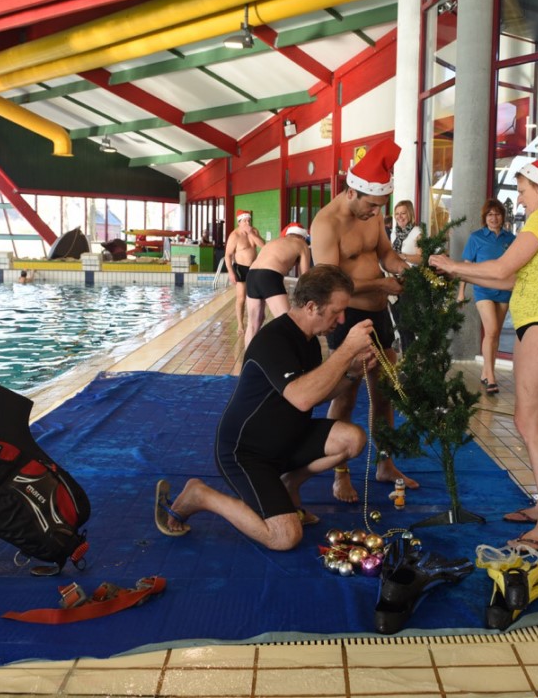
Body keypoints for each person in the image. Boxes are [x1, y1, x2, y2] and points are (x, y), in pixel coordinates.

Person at [154, 265, 375, 550]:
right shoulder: (274, 340)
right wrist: (347, 350)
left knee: (353, 439)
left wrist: (352, 373)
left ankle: (288, 485)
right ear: (311, 307)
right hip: (246, 453)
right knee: (285, 537)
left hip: (287, 441)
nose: (342, 319)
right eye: (337, 311)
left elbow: (316, 394)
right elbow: (302, 398)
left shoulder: (309, 341)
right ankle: (201, 495)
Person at [430, 155, 538, 552]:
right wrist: (459, 271)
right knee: (535, 420)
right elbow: (512, 277)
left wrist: (452, 265)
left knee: (528, 420)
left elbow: (499, 271)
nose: (520, 198)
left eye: (523, 190)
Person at [310, 139, 419, 503]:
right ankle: (339, 474)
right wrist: (381, 284)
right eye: (371, 205)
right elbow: (330, 283)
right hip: (348, 317)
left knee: (384, 392)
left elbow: (386, 253)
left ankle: (385, 464)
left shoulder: (371, 215)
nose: (376, 213)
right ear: (351, 191)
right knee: (346, 393)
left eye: (381, 207)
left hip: (379, 313)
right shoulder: (327, 223)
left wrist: (405, 271)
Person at [457, 198, 515, 394]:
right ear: (485, 217)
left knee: (495, 333)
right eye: (490, 214)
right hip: (483, 290)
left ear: (502, 217)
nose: (494, 218)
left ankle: (485, 371)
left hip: (504, 290)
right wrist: (461, 292)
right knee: (491, 331)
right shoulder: (476, 237)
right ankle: (491, 377)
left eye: (497, 214)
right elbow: (466, 266)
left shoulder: (511, 239)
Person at [243, 222, 312, 347]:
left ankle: (248, 357)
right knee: (287, 323)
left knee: (253, 324)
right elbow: (305, 277)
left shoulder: (275, 242)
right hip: (269, 276)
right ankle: (288, 355)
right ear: (303, 237)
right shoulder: (302, 244)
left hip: (251, 275)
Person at [388, 199, 422, 350]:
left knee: (407, 322)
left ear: (410, 214)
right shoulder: (394, 233)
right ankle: (406, 356)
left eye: (403, 213)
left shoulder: (417, 232)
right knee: (398, 322)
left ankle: (411, 357)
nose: (399, 217)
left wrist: (403, 256)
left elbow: (422, 258)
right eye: (397, 214)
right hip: (394, 279)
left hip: (410, 279)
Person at [224, 211, 264, 332]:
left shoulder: (254, 231)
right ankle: (240, 325)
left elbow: (263, 245)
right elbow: (227, 255)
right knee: (241, 298)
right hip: (240, 268)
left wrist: (251, 233)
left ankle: (253, 322)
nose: (247, 223)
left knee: (256, 296)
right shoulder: (234, 236)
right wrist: (231, 272)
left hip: (254, 268)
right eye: (245, 221)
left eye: (249, 220)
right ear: (239, 222)